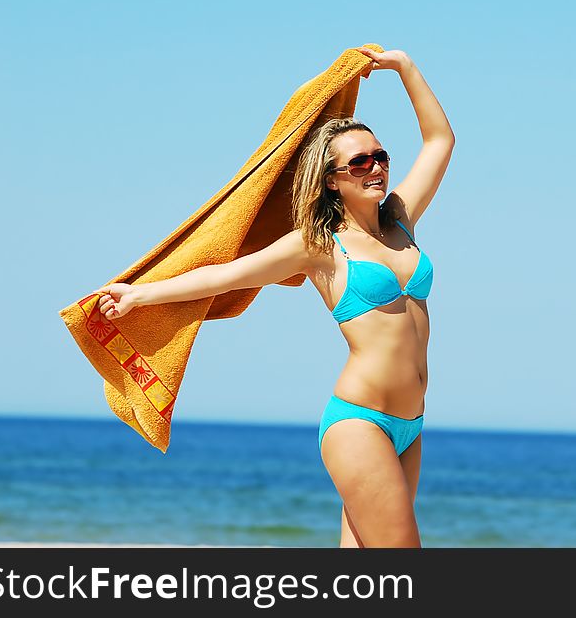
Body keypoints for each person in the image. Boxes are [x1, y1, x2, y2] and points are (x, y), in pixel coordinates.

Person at [94, 47, 454, 547]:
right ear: (332, 180)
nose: (376, 168)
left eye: (381, 157)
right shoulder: (317, 245)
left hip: (411, 423)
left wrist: (405, 68)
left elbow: (440, 140)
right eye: (359, 162)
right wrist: (140, 295)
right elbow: (226, 276)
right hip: (359, 423)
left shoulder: (400, 220)